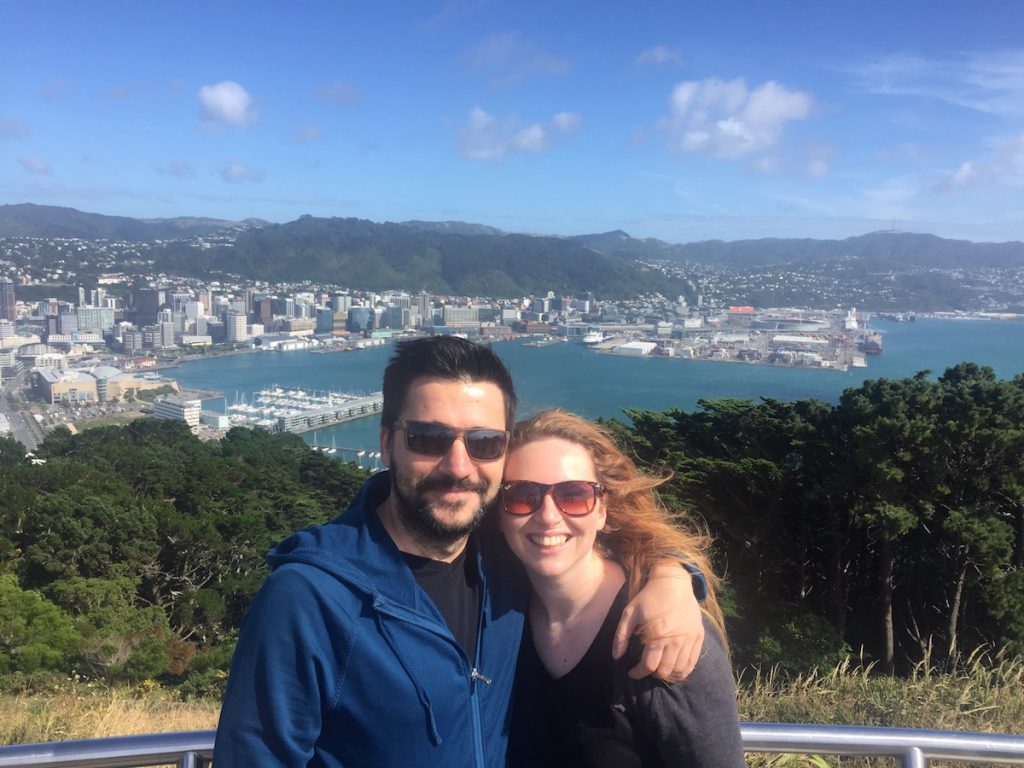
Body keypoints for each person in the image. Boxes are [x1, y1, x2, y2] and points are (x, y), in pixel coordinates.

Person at [214, 336, 706, 767]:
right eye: (428, 438)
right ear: (387, 444)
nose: (458, 466)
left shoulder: (508, 548)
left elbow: (595, 535)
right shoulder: (308, 599)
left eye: (485, 443)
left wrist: (675, 576)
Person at [501, 409, 745, 767]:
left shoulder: (664, 635)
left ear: (601, 510)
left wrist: (675, 574)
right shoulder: (497, 607)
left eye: (574, 495)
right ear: (499, 512)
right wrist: (675, 570)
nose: (548, 516)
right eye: (523, 495)